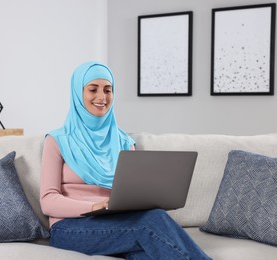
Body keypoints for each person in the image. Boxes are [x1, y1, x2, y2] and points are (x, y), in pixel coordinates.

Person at [40, 61, 211, 259]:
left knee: (146, 251)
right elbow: (48, 201)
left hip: (117, 222)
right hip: (69, 228)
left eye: (108, 90)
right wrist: (92, 207)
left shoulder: (124, 141)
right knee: (151, 223)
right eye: (93, 89)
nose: (101, 97)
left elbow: (130, 191)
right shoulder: (57, 140)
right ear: (78, 93)